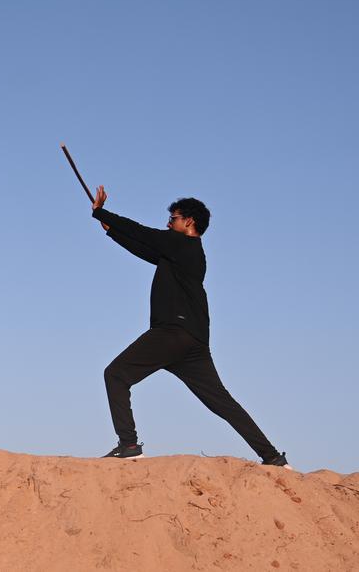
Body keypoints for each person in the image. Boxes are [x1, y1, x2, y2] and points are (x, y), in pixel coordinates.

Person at [89, 185, 290, 467]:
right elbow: (144, 248)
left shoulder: (183, 245)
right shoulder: (181, 253)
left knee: (116, 375)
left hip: (172, 333)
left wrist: (100, 212)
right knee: (222, 402)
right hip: (193, 342)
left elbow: (144, 234)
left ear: (189, 222)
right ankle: (273, 457)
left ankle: (129, 444)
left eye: (173, 219)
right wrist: (110, 230)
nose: (169, 224)